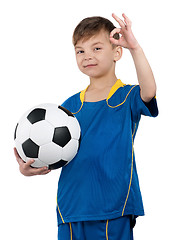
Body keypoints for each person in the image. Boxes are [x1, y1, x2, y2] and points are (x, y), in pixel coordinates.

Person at [14, 13, 158, 240]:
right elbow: (56, 151)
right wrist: (30, 167)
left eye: (97, 48)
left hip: (114, 207)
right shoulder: (67, 107)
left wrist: (135, 48)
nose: (87, 56)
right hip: (71, 209)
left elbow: (149, 92)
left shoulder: (127, 96)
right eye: (80, 51)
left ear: (117, 52)